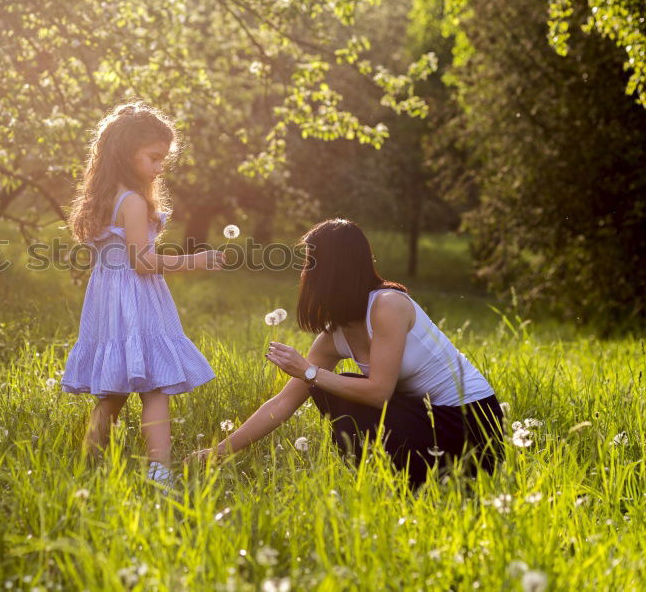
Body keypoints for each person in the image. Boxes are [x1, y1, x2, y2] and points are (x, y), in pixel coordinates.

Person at [196, 219, 504, 488]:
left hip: (472, 422)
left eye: (310, 263)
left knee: (330, 383)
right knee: (330, 389)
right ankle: (392, 482)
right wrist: (218, 452)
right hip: (427, 420)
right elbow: (283, 403)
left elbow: (379, 393)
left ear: (332, 269)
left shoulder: (387, 305)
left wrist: (310, 372)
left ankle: (413, 483)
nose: (305, 273)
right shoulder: (335, 335)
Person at [62, 101, 226, 487]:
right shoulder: (133, 202)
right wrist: (195, 262)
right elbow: (143, 262)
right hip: (134, 297)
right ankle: (160, 472)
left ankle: (90, 462)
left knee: (115, 390)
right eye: (153, 158)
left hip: (108, 298)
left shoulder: (107, 198)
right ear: (125, 154)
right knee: (154, 385)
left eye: (162, 160)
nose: (158, 168)